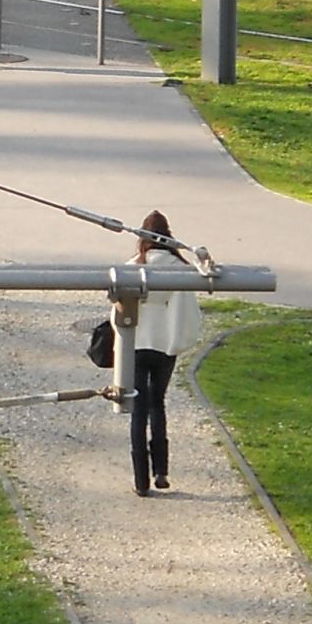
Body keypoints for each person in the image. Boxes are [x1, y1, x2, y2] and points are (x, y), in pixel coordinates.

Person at [115, 209, 205, 496]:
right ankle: (161, 470)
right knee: (158, 403)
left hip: (136, 342)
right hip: (165, 343)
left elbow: (116, 310)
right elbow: (187, 309)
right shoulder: (178, 268)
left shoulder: (131, 267)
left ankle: (140, 480)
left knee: (138, 409)